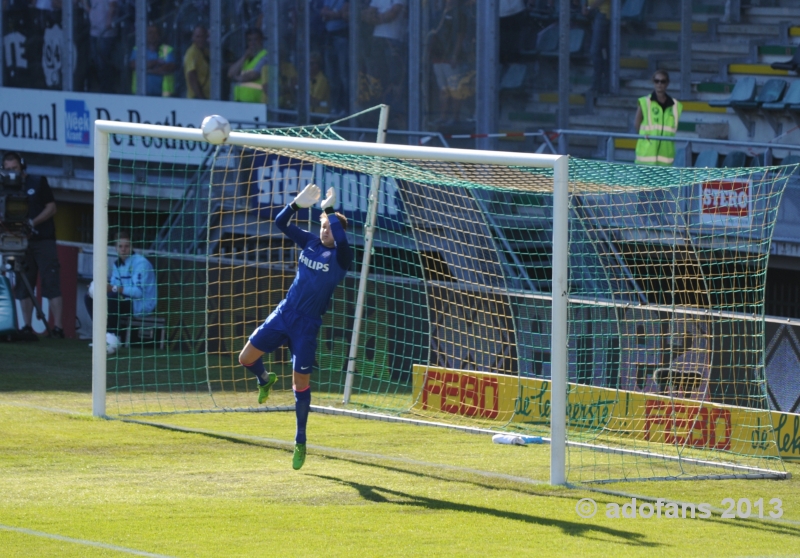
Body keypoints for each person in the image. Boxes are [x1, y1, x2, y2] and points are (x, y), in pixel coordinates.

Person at [238, 184, 352, 470]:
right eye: (324, 226)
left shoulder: (342, 256)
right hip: (284, 313)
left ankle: (300, 440)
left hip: (307, 326)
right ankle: (265, 379)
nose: (326, 231)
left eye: (331, 228)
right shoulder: (310, 242)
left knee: (300, 384)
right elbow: (280, 223)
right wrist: (295, 205)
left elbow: (340, 237)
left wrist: (328, 209)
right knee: (245, 358)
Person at [2, 151, 64, 338]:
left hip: (42, 239)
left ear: (22, 166)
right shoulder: (3, 188)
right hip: (17, 240)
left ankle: (58, 328)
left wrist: (32, 222)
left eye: (14, 168)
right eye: (8, 169)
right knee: (23, 283)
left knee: (51, 281)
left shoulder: (37, 182)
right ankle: (27, 326)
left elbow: (51, 207)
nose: (12, 172)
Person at [84, 231, 157, 353]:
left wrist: (112, 288)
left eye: (127, 246)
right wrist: (99, 288)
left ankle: (113, 337)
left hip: (142, 304)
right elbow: (113, 286)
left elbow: (138, 293)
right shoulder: (117, 264)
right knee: (89, 297)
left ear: (132, 246)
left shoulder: (141, 263)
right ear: (115, 248)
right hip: (125, 300)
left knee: (111, 298)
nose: (123, 249)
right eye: (120, 246)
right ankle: (101, 336)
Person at [634, 70, 683, 166]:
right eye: (657, 81)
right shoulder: (645, 102)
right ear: (653, 82)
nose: (659, 84)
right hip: (646, 154)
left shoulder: (675, 105)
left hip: (666, 155)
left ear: (667, 83)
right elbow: (637, 124)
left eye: (663, 81)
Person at [320, 0, 349, 115]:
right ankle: (335, 107)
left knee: (344, 76)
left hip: (342, 37)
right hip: (329, 38)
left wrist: (331, 14)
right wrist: (336, 13)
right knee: (332, 76)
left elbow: (345, 14)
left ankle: (347, 108)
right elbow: (323, 12)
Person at [129, 25, 177, 97]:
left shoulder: (167, 49)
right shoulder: (138, 49)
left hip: (163, 96)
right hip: (140, 95)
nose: (152, 35)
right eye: (150, 33)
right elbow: (133, 65)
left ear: (159, 35)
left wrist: (146, 70)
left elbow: (169, 67)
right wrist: (156, 62)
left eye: (155, 33)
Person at [228, 28, 268, 103]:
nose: (252, 43)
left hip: (255, 102)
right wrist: (244, 57)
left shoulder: (265, 55)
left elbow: (253, 75)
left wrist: (236, 78)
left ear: (261, 40)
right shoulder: (247, 57)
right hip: (240, 101)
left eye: (255, 39)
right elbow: (230, 73)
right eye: (250, 40)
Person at [87, 0, 119, 93]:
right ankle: (100, 86)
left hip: (105, 33)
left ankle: (106, 88)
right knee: (95, 61)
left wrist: (109, 19)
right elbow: (92, 8)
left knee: (103, 62)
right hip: (94, 31)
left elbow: (112, 4)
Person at [584, 0, 609, 96]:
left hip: (603, 13)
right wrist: (585, 5)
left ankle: (597, 85)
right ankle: (598, 85)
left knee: (595, 51)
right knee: (597, 51)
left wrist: (589, 8)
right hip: (593, 13)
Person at [184, 25, 210, 99]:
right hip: (197, 98)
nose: (200, 39)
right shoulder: (191, 53)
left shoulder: (206, 52)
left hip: (208, 97)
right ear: (193, 37)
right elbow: (192, 77)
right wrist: (201, 98)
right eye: (198, 37)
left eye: (202, 36)